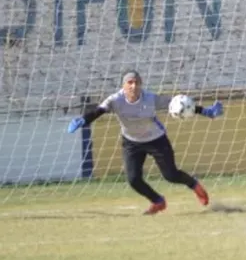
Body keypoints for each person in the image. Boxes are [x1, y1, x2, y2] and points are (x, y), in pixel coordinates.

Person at [67, 70, 224, 215]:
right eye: (130, 82)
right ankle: (158, 201)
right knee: (133, 179)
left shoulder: (150, 99)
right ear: (124, 85)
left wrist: (206, 111)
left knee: (171, 175)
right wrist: (83, 120)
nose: (134, 86)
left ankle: (194, 185)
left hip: (156, 140)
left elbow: (180, 104)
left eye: (137, 83)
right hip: (131, 143)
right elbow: (98, 111)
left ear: (141, 85)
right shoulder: (115, 100)